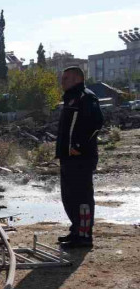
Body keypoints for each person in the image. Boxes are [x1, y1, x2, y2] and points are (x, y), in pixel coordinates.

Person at [55, 66, 103, 248]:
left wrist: (78, 145)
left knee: (82, 197)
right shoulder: (70, 99)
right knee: (69, 196)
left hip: (81, 157)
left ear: (77, 79)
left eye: (66, 78)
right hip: (67, 157)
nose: (62, 82)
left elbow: (96, 122)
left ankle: (84, 236)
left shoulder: (86, 97)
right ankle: (76, 231)